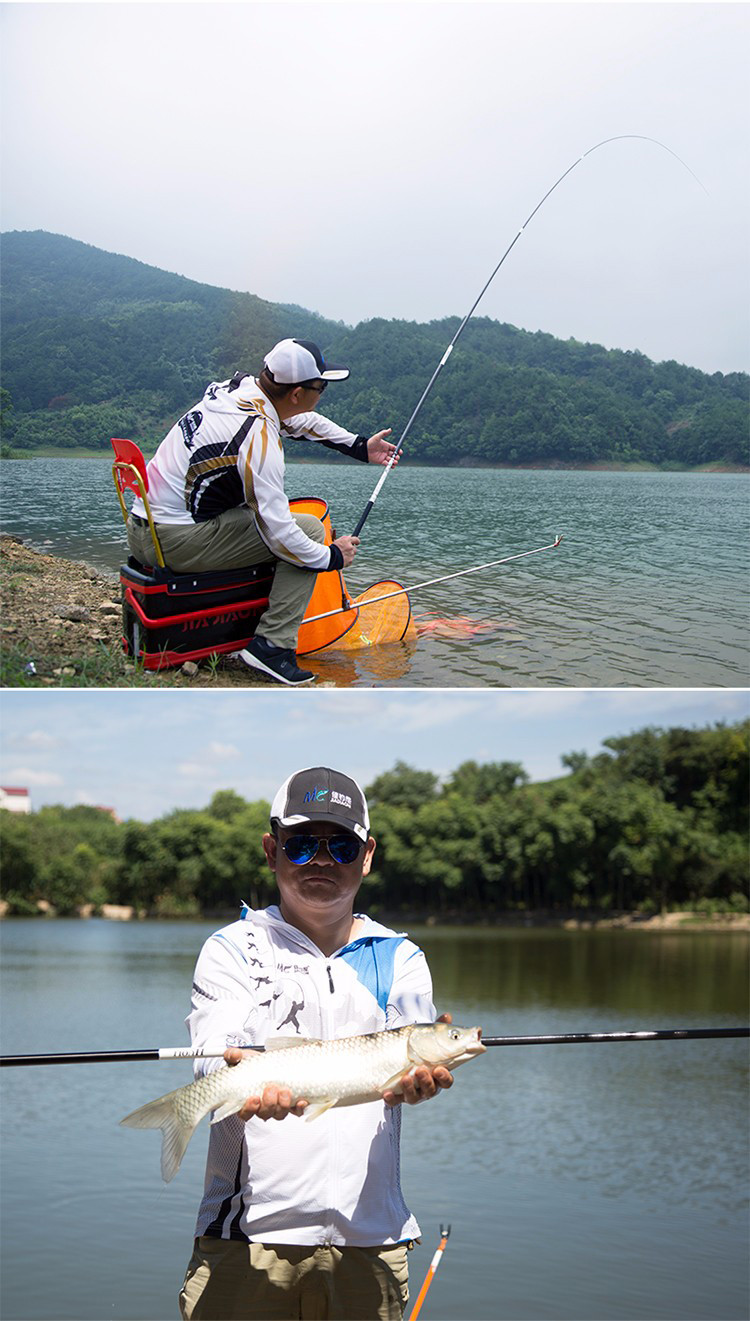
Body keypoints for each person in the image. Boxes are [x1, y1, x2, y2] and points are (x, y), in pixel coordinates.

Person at [178, 766, 454, 1321]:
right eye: (302, 845)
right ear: (271, 849)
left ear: (367, 855)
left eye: (342, 846)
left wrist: (420, 1085)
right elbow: (212, 1055)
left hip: (372, 1244)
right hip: (246, 1242)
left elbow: (415, 1065)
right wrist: (238, 1079)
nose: (322, 861)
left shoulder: (400, 957)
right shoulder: (233, 949)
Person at [127, 339, 398, 686]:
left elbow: (300, 422)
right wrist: (331, 556)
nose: (323, 393)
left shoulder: (236, 392)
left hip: (144, 531)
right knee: (310, 531)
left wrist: (359, 446)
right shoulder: (258, 437)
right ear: (298, 393)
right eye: (322, 386)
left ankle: (245, 628)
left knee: (270, 520)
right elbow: (279, 534)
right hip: (172, 542)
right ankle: (271, 647)